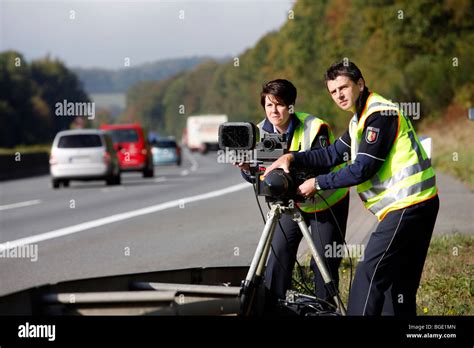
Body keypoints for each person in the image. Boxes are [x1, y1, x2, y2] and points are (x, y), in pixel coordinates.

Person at [264, 61, 439, 316]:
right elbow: (334, 154)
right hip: (415, 204)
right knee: (397, 286)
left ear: (360, 84)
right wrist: (293, 157)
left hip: (409, 204)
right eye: (333, 92)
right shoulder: (360, 118)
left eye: (344, 87)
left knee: (369, 272)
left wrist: (318, 183)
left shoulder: (380, 115)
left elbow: (361, 169)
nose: (339, 96)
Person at [236, 79, 350, 309]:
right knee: (278, 256)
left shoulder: (315, 127)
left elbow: (323, 164)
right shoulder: (261, 132)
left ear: (291, 106)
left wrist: (290, 164)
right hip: (290, 203)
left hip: (326, 201)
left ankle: (325, 311)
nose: (274, 111)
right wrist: (248, 170)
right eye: (269, 105)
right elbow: (262, 178)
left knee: (323, 264)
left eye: (279, 105)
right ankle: (274, 308)